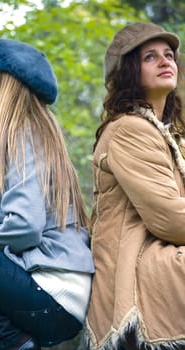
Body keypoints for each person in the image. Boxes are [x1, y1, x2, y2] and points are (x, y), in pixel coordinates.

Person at [0, 38, 95, 350]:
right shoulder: (18, 140)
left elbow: (25, 227)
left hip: (52, 296)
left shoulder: (22, 136)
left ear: (10, 85)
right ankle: (12, 341)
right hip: (52, 300)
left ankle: (10, 341)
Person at [81, 22, 185, 350]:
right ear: (127, 71)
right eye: (149, 57)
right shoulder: (130, 129)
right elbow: (171, 219)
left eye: (169, 55)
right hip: (135, 281)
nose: (165, 61)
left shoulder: (165, 134)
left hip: (159, 266)